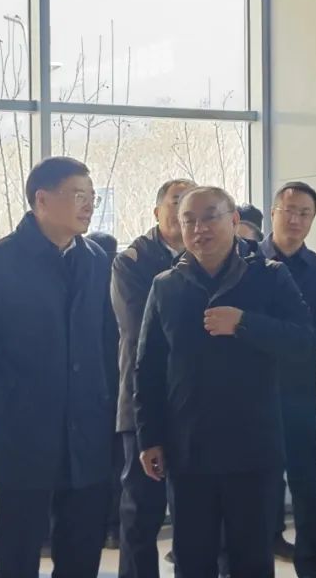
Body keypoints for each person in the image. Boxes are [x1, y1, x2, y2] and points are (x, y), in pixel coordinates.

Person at [0, 157, 119, 578]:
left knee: (82, 545)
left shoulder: (96, 260)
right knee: (20, 546)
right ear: (42, 200)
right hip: (24, 430)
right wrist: (4, 399)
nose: (88, 205)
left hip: (87, 428)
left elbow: (109, 340)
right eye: (78, 195)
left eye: (92, 196)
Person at [134, 186, 314, 578]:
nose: (199, 229)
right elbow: (147, 368)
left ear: (234, 221)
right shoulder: (166, 285)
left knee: (251, 558)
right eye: (189, 221)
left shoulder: (269, 277)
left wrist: (245, 324)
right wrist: (149, 437)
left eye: (210, 217)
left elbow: (303, 341)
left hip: (252, 446)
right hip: (188, 448)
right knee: (192, 558)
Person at [261, 181, 316, 577]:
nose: (295, 220)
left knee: (307, 481)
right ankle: (251, 558)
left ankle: (311, 564)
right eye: (288, 210)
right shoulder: (245, 261)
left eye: (304, 213)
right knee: (255, 481)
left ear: (312, 219)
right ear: (273, 212)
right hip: (250, 392)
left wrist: (303, 340)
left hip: (299, 391)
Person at [112, 178, 195, 578]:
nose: (183, 212)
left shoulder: (209, 254)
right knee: (142, 508)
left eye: (190, 204)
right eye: (176, 202)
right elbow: (140, 329)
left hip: (195, 401)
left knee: (195, 510)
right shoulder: (131, 260)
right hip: (143, 400)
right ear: (157, 211)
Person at [88, 229, 123, 551]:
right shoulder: (121, 285)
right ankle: (113, 527)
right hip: (119, 387)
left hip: (90, 391)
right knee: (118, 462)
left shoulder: (84, 286)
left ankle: (94, 528)